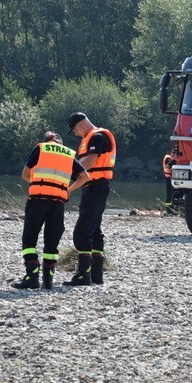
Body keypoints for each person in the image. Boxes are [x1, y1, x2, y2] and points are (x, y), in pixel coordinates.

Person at [13, 131, 89, 289]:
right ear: (60, 142)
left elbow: (25, 174)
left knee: (29, 238)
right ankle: (48, 281)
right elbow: (85, 177)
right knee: (52, 241)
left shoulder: (41, 148)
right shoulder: (68, 154)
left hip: (38, 199)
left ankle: (32, 277)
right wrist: (68, 190)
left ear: (48, 140)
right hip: (58, 202)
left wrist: (37, 183)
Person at [65, 112, 117, 286]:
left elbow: (89, 162)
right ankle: (96, 276)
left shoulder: (98, 136)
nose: (75, 133)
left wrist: (70, 178)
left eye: (74, 130)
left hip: (97, 186)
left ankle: (83, 275)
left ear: (81, 124)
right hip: (92, 187)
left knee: (82, 231)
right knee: (94, 231)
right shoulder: (88, 139)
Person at [162, 147, 179, 215]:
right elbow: (169, 165)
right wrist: (176, 159)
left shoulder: (172, 159)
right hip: (169, 178)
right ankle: (169, 209)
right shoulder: (168, 158)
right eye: (173, 153)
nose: (174, 154)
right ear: (171, 152)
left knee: (173, 194)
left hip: (172, 178)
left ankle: (174, 209)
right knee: (170, 194)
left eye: (175, 153)